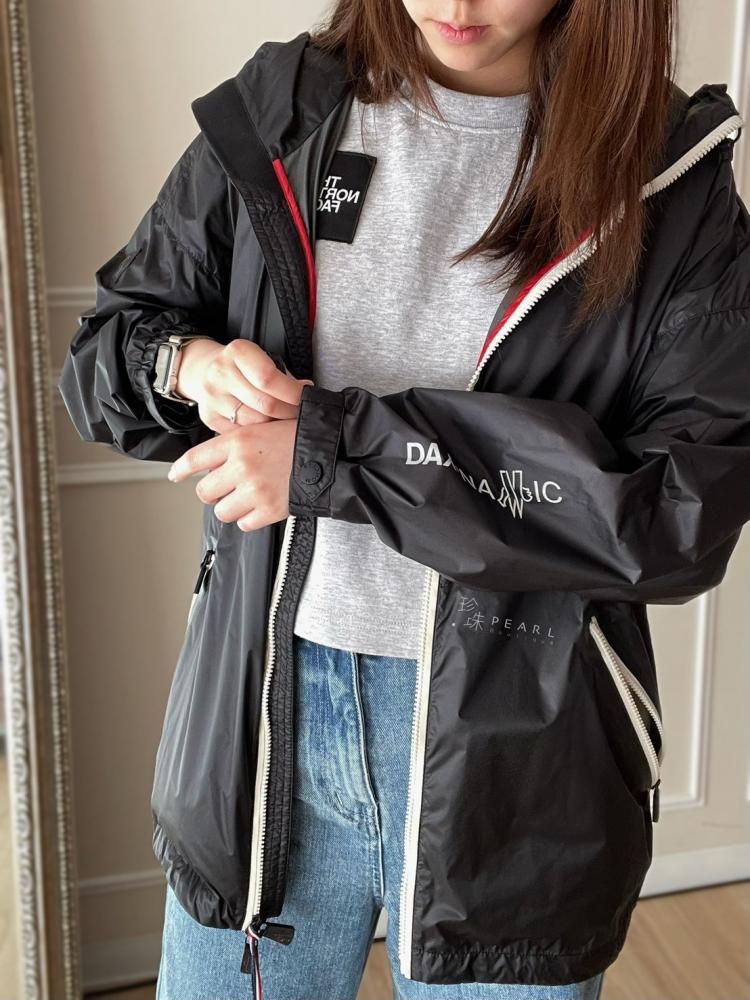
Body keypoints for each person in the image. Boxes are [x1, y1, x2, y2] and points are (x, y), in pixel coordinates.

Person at [58, 0, 750, 998]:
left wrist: (337, 453)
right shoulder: (286, 109)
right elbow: (106, 350)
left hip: (519, 761)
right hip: (266, 723)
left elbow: (681, 511)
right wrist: (188, 364)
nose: (456, 6)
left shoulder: (669, 179)